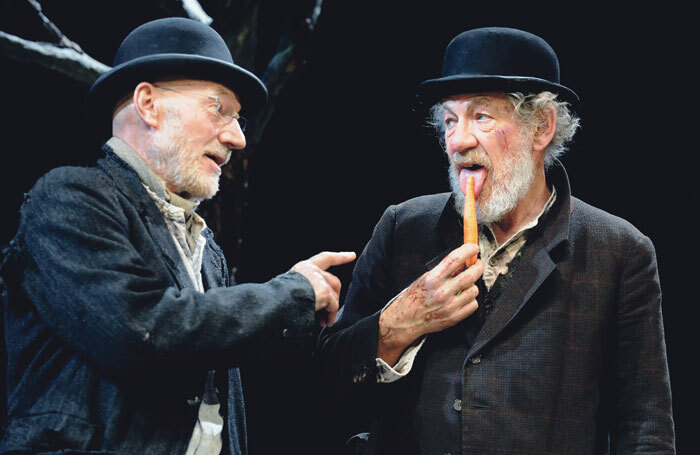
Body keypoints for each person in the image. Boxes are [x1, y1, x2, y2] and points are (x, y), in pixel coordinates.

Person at [0, 17, 355, 454]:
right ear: (148, 104)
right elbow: (143, 330)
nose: (238, 137)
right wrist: (292, 293)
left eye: (239, 118)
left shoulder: (209, 253)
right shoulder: (69, 198)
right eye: (219, 109)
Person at [317, 27, 675, 454]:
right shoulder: (403, 227)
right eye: (450, 120)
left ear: (541, 127)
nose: (458, 141)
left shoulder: (618, 251)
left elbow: (645, 426)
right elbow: (326, 382)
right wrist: (399, 324)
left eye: (481, 117)